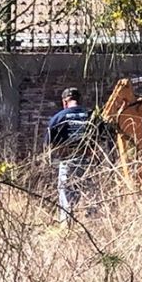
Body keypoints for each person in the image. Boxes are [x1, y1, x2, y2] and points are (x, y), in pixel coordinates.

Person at [46, 87, 91, 223]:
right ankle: (91, 223)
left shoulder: (59, 117)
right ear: (79, 100)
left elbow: (48, 143)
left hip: (68, 162)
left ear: (65, 102)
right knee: (89, 194)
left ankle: (67, 226)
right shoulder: (91, 115)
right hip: (89, 161)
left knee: (66, 195)